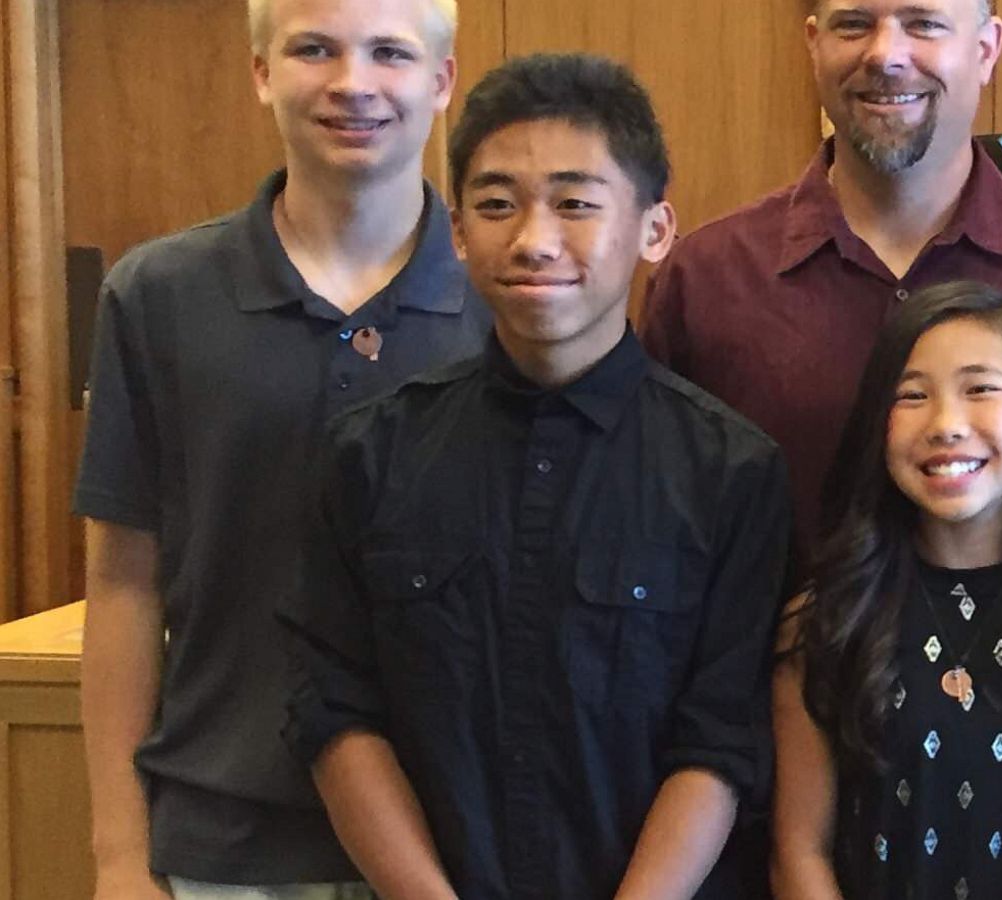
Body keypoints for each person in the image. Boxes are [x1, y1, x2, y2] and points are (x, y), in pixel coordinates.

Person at [278, 53, 791, 900]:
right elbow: (334, 712)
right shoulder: (370, 454)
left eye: (576, 203)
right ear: (455, 229)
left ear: (655, 231)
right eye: (496, 205)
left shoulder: (731, 471)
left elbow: (722, 740)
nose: (533, 239)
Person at [73, 0, 481, 896]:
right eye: (313, 49)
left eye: (389, 52)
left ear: (442, 82)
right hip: (219, 845)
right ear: (261, 73)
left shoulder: (514, 306)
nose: (353, 83)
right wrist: (116, 856)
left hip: (453, 850)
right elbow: (123, 586)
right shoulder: (157, 296)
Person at [640, 0, 1002, 580]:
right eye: (854, 24)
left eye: (922, 23)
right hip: (775, 669)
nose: (885, 55)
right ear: (814, 43)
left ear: (986, 49)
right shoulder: (705, 283)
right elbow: (658, 540)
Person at [772, 281, 1002, 899]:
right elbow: (799, 850)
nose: (947, 424)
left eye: (980, 388)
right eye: (913, 396)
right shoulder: (828, 616)